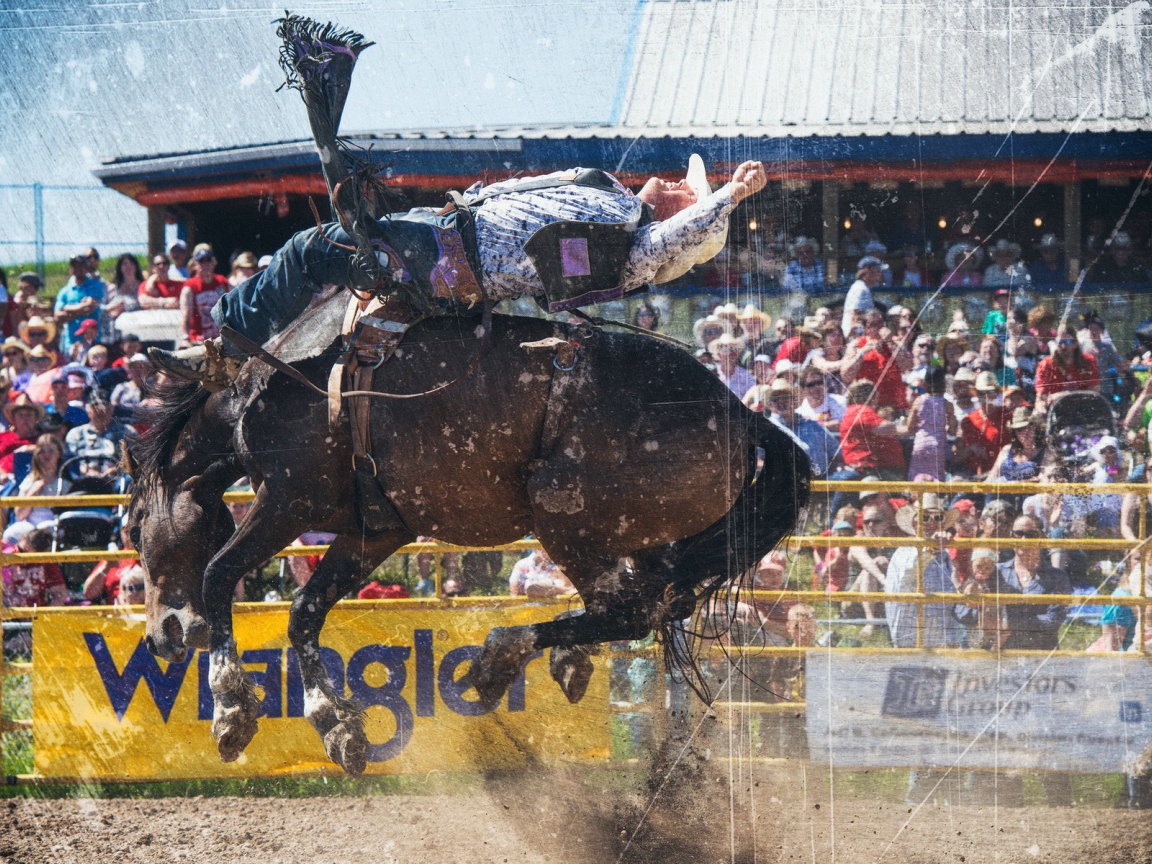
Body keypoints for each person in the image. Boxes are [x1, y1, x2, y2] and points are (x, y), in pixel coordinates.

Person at [152, 159, 771, 388]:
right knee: (326, 244)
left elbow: (666, 243)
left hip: (444, 258)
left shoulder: (632, 241)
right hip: (443, 230)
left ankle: (227, 348)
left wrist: (729, 199)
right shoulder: (607, 192)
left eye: (689, 191)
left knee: (306, 249)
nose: (678, 181)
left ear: (685, 213)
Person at [885, 495, 963, 648]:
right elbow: (908, 579)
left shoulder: (944, 554)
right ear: (914, 524)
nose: (931, 522)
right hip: (910, 638)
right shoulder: (904, 550)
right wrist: (932, 549)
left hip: (940, 640)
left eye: (938, 517)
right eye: (924, 517)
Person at [990, 515, 1071, 650]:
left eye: (1031, 534)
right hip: (1003, 652)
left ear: (1042, 538)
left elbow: (1054, 619)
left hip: (1042, 653)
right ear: (1011, 537)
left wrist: (1009, 624)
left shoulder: (1057, 577)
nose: (1024, 540)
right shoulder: (996, 572)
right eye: (1018, 534)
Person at [766, 380, 838, 478]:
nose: (781, 402)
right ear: (770, 405)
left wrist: (838, 466)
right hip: (788, 482)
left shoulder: (811, 425)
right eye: (775, 399)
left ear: (794, 401)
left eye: (785, 398)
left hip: (822, 479)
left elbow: (835, 449)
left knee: (848, 476)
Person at [839, 379, 906, 480]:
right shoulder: (861, 410)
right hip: (871, 469)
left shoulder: (852, 411)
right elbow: (887, 428)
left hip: (871, 467)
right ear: (872, 397)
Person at [6, 434, 70, 540]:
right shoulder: (30, 480)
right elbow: (20, 515)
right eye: (42, 451)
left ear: (59, 453)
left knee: (44, 530)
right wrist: (33, 492)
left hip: (53, 525)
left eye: (51, 451)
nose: (46, 455)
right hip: (30, 525)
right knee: (10, 533)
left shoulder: (65, 483)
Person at [64, 389, 135, 481]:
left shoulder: (127, 432)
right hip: (84, 482)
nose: (99, 410)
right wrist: (85, 470)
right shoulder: (75, 434)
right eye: (94, 406)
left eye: (104, 405)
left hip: (117, 482)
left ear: (112, 409)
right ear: (88, 410)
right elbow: (69, 463)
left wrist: (117, 469)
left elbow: (136, 459)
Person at [901, 366, 955, 480]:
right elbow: (952, 430)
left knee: (917, 476)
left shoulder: (919, 401)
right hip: (938, 444)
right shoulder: (947, 404)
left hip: (921, 442)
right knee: (936, 478)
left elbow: (909, 427)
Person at [1034, 325, 1100, 414]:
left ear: (1075, 344)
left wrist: (1064, 395)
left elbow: (1094, 392)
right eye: (1060, 342)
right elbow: (1041, 398)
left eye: (1068, 342)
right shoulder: (1046, 364)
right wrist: (1041, 408)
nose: (1063, 346)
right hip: (1056, 411)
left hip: (1083, 410)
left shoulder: (1088, 361)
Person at [54, 251, 105, 357]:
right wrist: (82, 307)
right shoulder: (65, 291)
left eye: (81, 266)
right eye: (74, 266)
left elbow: (90, 308)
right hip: (71, 342)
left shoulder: (95, 286)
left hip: (92, 341)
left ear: (86, 268)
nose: (78, 269)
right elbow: (58, 316)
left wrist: (67, 308)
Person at [2, 526, 67, 607]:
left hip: (36, 610)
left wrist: (46, 613)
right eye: (20, 549)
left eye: (24, 552)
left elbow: (60, 594)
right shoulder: (7, 557)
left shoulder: (45, 562)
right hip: (8, 610)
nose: (19, 553)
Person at [959, 371, 1008, 478]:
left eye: (990, 392)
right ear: (976, 394)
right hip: (973, 474)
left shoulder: (1006, 415)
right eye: (981, 392)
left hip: (1000, 474)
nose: (986, 396)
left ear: (996, 394)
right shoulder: (968, 421)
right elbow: (959, 454)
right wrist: (972, 448)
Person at [179, 244, 230, 347]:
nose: (206, 264)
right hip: (199, 340)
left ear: (214, 263)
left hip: (220, 339)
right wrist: (185, 338)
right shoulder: (190, 287)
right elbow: (186, 315)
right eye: (201, 261)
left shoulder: (222, 282)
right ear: (195, 264)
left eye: (208, 260)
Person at [987, 407, 1043, 484]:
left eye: (1028, 427)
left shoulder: (1046, 452)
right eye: (1019, 430)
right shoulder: (1006, 450)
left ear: (1035, 427)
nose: (1025, 433)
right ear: (1015, 433)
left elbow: (1044, 480)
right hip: (1002, 490)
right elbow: (990, 478)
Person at [0, 394, 44, 483]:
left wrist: (36, 448)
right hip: (5, 481)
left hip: (35, 480)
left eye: (28, 415)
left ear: (35, 418)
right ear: (14, 419)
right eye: (20, 415)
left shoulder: (44, 438)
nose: (24, 419)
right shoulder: (3, 437)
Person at [840, 255, 882, 336]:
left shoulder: (863, 287)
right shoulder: (860, 289)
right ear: (867, 272)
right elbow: (855, 316)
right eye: (877, 270)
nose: (880, 274)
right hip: (854, 336)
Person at [796, 368, 846, 432]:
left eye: (820, 382)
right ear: (802, 390)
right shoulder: (800, 412)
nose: (817, 387)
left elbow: (842, 424)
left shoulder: (839, 401)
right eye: (811, 385)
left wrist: (814, 425)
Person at [508, 549, 573, 596]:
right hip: (531, 606)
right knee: (532, 588)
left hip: (557, 605)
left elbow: (568, 585)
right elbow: (514, 592)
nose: (544, 551)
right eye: (540, 548)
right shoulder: (522, 564)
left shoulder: (559, 565)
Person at [709, 333, 755, 398]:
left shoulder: (746, 376)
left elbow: (753, 397)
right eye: (726, 349)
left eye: (734, 349)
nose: (731, 352)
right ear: (719, 354)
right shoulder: (710, 373)